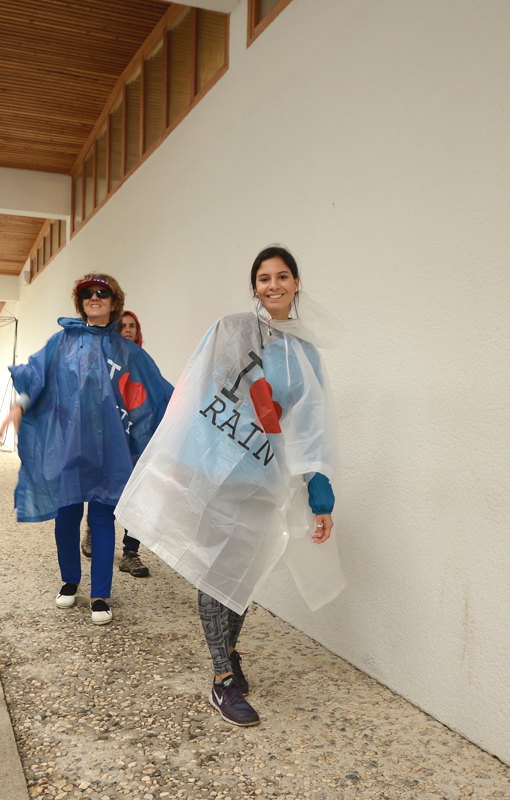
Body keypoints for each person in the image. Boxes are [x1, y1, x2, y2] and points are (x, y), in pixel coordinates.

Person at [116, 246, 343, 727]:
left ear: (297, 284)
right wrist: (177, 458)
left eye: (283, 277)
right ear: (255, 286)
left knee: (243, 574)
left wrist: (319, 497)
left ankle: (231, 650)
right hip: (213, 473)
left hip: (263, 482)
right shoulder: (230, 331)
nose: (273, 285)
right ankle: (222, 680)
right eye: (264, 278)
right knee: (216, 572)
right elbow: (194, 393)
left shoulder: (304, 355)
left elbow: (310, 430)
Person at [0, 275, 173, 625]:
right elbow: (37, 375)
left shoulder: (128, 352)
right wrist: (19, 405)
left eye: (102, 293)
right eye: (87, 294)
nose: (94, 298)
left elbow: (156, 392)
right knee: (66, 516)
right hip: (69, 446)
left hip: (110, 448)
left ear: (113, 301)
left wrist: (183, 419)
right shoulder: (62, 342)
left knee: (102, 518)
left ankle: (100, 595)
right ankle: (70, 581)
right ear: (80, 303)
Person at [81, 309, 151, 577]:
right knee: (103, 489)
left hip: (136, 438)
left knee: (138, 494)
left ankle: (130, 553)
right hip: (108, 438)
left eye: (133, 325)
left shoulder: (143, 363)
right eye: (123, 326)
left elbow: (154, 394)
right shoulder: (102, 361)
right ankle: (94, 530)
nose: (128, 329)